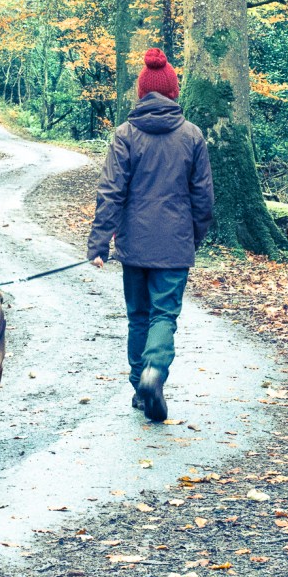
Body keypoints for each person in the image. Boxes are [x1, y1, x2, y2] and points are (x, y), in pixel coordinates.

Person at [87, 48, 214, 422]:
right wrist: (193, 237)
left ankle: (140, 390)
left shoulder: (125, 135)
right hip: (174, 244)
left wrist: (99, 242)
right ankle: (153, 372)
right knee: (164, 315)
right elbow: (203, 197)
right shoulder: (192, 136)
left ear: (141, 94)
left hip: (135, 245)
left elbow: (111, 191)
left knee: (138, 316)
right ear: (173, 93)